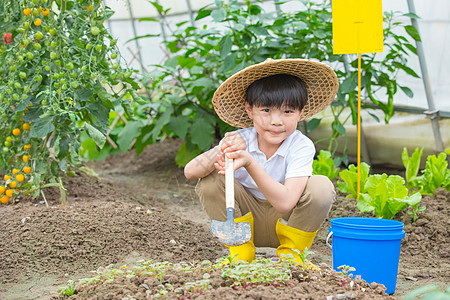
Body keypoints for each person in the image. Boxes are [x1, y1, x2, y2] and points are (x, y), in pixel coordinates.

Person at [184, 58, 339, 268]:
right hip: (245, 221)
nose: (276, 121)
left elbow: (285, 203)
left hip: (286, 221)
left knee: (321, 186)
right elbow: (190, 171)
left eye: (287, 112)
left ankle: (293, 255)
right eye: (266, 110)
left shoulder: (300, 145)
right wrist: (222, 147)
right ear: (250, 110)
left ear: (300, 113)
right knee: (210, 180)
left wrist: (249, 162)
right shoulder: (241, 139)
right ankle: (240, 252)